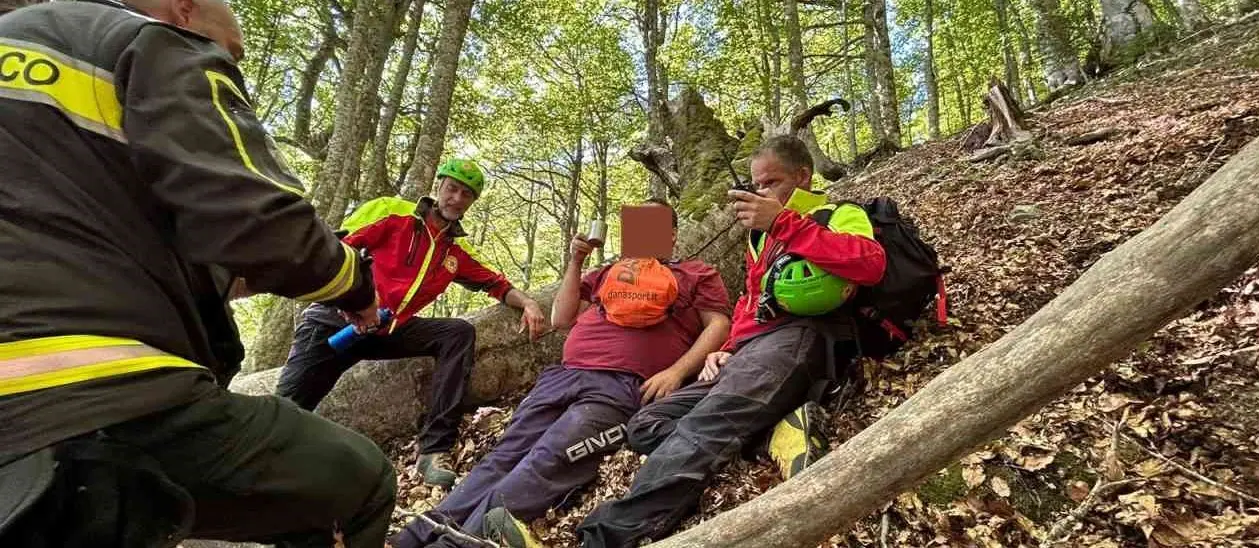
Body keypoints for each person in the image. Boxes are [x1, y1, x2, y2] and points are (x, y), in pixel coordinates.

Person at [0, 0, 395, 546]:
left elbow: (68, 228)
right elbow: (260, 222)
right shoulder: (148, 42)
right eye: (230, 51)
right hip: (84, 393)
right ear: (183, 10)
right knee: (359, 480)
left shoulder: (26, 45)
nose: (228, 63)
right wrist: (357, 283)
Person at [577, 136, 888, 547]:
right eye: (756, 184)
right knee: (645, 425)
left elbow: (871, 263)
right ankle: (774, 432)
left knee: (705, 425)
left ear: (803, 177)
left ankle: (605, 537)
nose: (760, 192)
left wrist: (782, 221)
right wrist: (726, 349)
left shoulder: (837, 212)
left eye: (770, 182)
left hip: (800, 338)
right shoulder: (759, 235)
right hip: (749, 351)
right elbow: (751, 300)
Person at [394, 200, 732, 548]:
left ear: (672, 234)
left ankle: (459, 544)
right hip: (562, 377)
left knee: (549, 460)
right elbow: (562, 317)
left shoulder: (695, 273)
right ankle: (413, 537)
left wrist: (676, 372)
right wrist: (576, 260)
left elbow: (718, 324)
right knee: (503, 457)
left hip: (620, 388)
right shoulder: (609, 273)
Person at [275, 159, 547, 488]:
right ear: (438, 186)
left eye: (466, 194)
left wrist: (529, 302)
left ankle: (434, 450)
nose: (457, 198)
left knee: (457, 333)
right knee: (285, 411)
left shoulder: (453, 253)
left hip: (386, 331)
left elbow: (496, 284)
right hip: (332, 325)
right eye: (452, 188)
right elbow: (336, 251)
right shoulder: (393, 214)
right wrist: (351, 302)